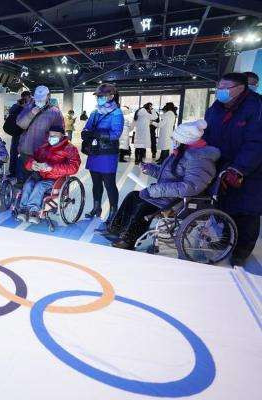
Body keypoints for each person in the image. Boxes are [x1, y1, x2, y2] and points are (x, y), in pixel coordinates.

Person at [106, 120, 220, 250]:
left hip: (180, 201)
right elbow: (169, 173)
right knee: (133, 196)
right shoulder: (182, 153)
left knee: (144, 205)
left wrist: (155, 190)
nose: (173, 140)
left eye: (175, 138)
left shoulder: (199, 159)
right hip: (169, 195)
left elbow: (190, 187)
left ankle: (128, 239)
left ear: (185, 140)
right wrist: (149, 168)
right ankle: (116, 229)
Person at [203, 72, 262, 266]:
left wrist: (239, 168)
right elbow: (207, 131)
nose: (221, 92)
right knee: (223, 206)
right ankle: (223, 242)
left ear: (240, 88)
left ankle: (241, 252)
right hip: (221, 165)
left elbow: (256, 142)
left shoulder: (257, 107)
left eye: (225, 88)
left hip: (249, 170)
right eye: (219, 88)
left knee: (246, 212)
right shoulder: (217, 107)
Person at [17, 126, 81, 224]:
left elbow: (74, 167)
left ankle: (34, 211)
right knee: (29, 184)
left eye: (55, 135)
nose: (52, 138)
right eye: (50, 135)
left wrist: (52, 167)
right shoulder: (44, 146)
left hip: (56, 178)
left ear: (62, 135)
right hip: (40, 175)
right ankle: (23, 209)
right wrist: (32, 164)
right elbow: (32, 158)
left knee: (40, 186)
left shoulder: (70, 149)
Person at [81, 83, 124, 225]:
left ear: (111, 96)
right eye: (98, 96)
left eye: (102, 96)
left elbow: (116, 134)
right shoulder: (95, 112)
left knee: (109, 184)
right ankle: (96, 207)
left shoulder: (117, 113)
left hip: (108, 153)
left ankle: (113, 212)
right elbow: (87, 128)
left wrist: (98, 134)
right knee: (96, 183)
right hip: (95, 152)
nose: (99, 99)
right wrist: (85, 133)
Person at [16, 85, 64, 184]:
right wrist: (31, 114)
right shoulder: (28, 107)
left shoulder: (55, 112)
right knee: (23, 182)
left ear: (48, 96)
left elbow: (60, 132)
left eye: (42, 98)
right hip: (26, 151)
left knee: (38, 182)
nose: (39, 101)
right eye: (37, 98)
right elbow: (20, 125)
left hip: (43, 154)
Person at [3, 90, 32, 178]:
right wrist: (19, 105)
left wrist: (26, 107)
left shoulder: (32, 106)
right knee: (14, 152)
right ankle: (13, 172)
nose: (25, 101)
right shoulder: (17, 106)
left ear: (30, 98)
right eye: (24, 99)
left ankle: (23, 173)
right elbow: (10, 112)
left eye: (27, 99)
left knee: (25, 154)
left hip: (27, 134)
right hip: (17, 132)